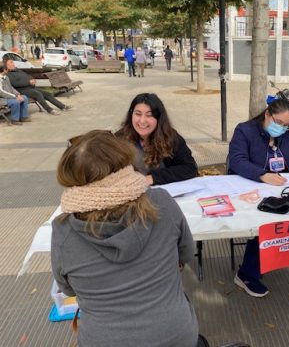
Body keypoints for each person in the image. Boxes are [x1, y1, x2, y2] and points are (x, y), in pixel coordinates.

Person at [51, 130, 199, 347]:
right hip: (176, 335)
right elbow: (186, 253)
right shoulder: (161, 202)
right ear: (125, 163)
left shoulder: (63, 230)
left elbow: (67, 288)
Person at [228, 98, 289, 297]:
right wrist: (262, 174)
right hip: (254, 188)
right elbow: (237, 161)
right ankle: (247, 274)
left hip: (283, 187)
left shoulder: (288, 134)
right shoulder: (245, 130)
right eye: (278, 123)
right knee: (267, 222)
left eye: (287, 125)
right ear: (267, 115)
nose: (282, 128)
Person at [117, 93, 198, 185]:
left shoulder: (171, 138)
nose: (142, 121)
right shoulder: (119, 139)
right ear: (131, 115)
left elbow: (190, 168)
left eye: (149, 115)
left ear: (159, 117)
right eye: (138, 114)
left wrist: (153, 178)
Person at [4, 58, 71, 115]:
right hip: (22, 90)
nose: (13, 64)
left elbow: (27, 75)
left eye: (12, 62)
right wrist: (28, 82)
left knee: (47, 94)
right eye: (10, 63)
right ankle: (49, 110)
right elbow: (15, 84)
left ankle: (62, 106)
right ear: (6, 66)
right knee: (38, 94)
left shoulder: (18, 70)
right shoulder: (8, 74)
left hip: (30, 87)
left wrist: (32, 79)